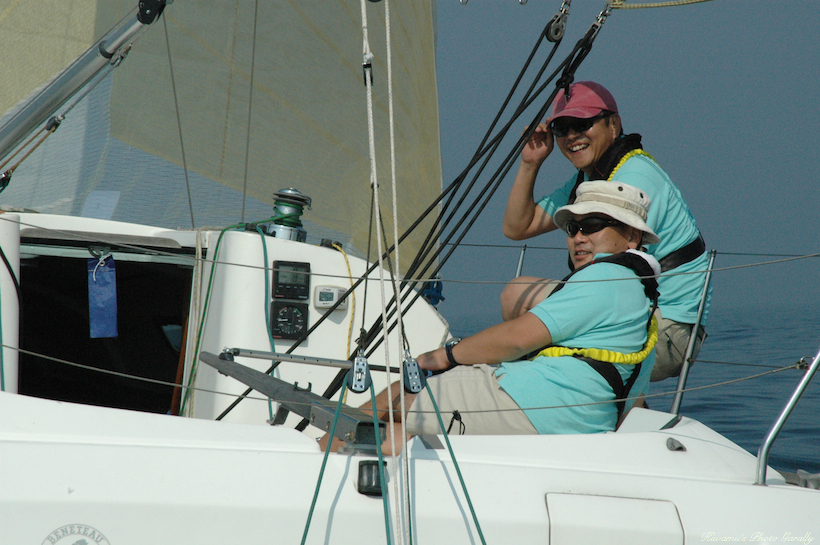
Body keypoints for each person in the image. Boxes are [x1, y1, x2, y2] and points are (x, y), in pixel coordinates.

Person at [350, 181, 660, 453]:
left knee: (395, 398)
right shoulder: (644, 298)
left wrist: (443, 356)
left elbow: (516, 339)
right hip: (575, 422)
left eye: (592, 224)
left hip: (535, 405)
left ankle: (326, 457)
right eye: (572, 228)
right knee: (403, 430)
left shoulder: (604, 277)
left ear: (632, 236)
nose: (578, 237)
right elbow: (632, 396)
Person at [502, 81, 709, 382]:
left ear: (614, 125)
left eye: (582, 124)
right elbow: (517, 227)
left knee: (516, 296)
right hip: (643, 319)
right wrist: (530, 162)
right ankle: (623, 400)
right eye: (561, 128)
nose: (571, 136)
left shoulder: (631, 178)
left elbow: (602, 279)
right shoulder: (593, 178)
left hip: (667, 333)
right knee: (522, 303)